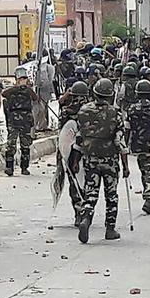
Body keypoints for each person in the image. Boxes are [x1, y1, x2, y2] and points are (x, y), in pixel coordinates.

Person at [72, 78, 130, 244]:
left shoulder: (83, 112)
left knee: (91, 193)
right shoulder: (115, 113)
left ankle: (86, 218)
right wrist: (125, 165)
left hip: (90, 159)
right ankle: (110, 229)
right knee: (111, 195)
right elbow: (120, 142)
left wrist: (76, 161)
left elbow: (79, 139)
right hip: (110, 160)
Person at [125, 80, 150, 215]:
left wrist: (125, 145)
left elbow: (127, 128)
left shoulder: (131, 109)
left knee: (145, 170)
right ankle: (149, 197)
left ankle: (149, 196)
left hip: (138, 146)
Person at [58, 81, 90, 226]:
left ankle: (79, 211)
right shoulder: (92, 109)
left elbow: (62, 133)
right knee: (87, 180)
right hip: (88, 150)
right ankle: (85, 210)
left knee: (74, 181)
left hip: (72, 152)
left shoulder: (67, 111)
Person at [2, 67, 38, 176]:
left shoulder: (28, 90)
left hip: (25, 120)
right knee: (11, 144)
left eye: (25, 78)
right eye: (21, 79)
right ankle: (9, 167)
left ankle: (24, 167)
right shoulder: (12, 90)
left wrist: (26, 87)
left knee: (25, 145)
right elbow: (4, 94)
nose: (23, 80)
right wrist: (17, 87)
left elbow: (35, 98)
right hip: (13, 119)